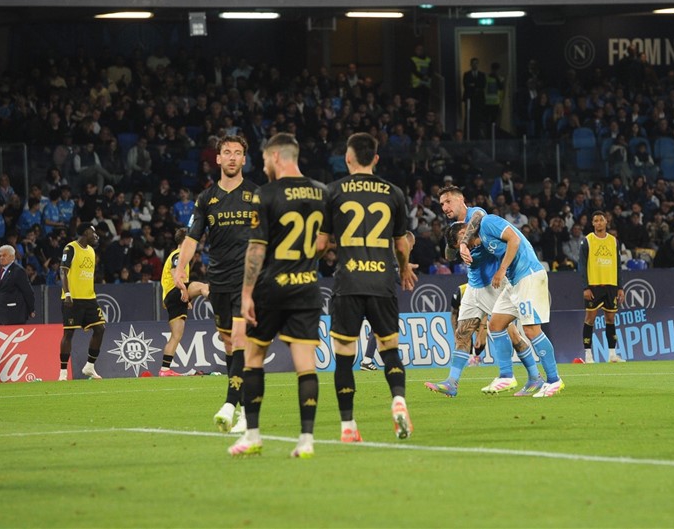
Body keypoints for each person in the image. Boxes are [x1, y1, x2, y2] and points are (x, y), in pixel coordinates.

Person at [229, 133, 327, 459]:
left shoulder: (266, 193)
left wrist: (246, 294)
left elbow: (256, 248)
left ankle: (253, 436)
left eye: (264, 160)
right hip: (307, 287)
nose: (263, 167)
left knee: (254, 357)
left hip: (271, 288)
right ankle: (306, 440)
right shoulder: (321, 192)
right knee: (306, 366)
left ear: (275, 157)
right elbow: (324, 244)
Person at [316, 132, 417, 443]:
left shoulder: (333, 191)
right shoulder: (393, 192)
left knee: (345, 357)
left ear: (348, 158)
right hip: (381, 282)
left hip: (348, 283)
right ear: (375, 158)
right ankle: (398, 400)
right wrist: (403, 268)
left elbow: (321, 244)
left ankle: (348, 426)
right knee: (389, 350)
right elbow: (401, 244)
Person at [172, 135, 259, 435]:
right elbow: (192, 238)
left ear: (244, 159)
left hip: (248, 282)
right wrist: (180, 269)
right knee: (229, 343)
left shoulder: (256, 195)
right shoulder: (206, 198)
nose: (233, 157)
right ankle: (244, 408)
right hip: (218, 281)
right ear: (218, 159)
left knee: (240, 339)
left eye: (238, 153)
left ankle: (233, 406)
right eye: (227, 152)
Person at [425, 187, 543, 398]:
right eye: (441, 204)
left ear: (461, 200)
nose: (444, 207)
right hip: (473, 285)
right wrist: (454, 245)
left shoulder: (477, 214)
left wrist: (463, 243)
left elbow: (479, 216)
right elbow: (449, 256)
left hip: (492, 285)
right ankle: (452, 383)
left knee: (511, 333)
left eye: (448, 202)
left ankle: (535, 377)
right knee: (462, 333)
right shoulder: (454, 227)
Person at [454, 212, 565, 398]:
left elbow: (514, 240)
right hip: (514, 281)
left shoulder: (488, 223)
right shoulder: (481, 242)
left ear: (466, 234)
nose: (470, 249)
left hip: (528, 275)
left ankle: (554, 380)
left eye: (467, 244)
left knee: (531, 330)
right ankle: (506, 376)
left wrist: (501, 269)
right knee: (495, 324)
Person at [159, 228, 210, 376]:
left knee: (176, 335)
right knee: (203, 287)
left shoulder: (180, 256)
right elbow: (175, 274)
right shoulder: (178, 254)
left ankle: (164, 369)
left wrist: (186, 299)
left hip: (171, 299)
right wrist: (184, 290)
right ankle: (220, 302)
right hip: (175, 291)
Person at [58, 223, 106, 381]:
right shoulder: (70, 248)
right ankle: (63, 372)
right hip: (73, 299)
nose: (96, 236)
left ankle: (90, 366)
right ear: (86, 233)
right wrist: (67, 293)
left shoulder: (91, 251)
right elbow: (63, 271)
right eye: (93, 232)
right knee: (69, 333)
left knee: (100, 328)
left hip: (89, 298)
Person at [579, 211, 626, 363]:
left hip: (611, 285)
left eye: (601, 220)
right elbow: (582, 265)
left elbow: (618, 265)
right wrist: (585, 287)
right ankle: (588, 355)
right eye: (596, 220)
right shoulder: (587, 241)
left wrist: (620, 287)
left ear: (606, 222)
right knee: (590, 318)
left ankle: (612, 355)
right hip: (594, 285)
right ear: (593, 223)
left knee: (610, 318)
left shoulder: (613, 241)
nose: (599, 223)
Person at [0, 244, 35, 325]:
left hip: (14, 315)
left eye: (4, 255)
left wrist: (31, 309)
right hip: (2, 314)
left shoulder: (18, 271)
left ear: (12, 257)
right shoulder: (2, 271)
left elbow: (28, 291)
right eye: (0, 256)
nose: (1, 258)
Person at [462, 57, 487, 139]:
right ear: (470, 64)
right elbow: (466, 85)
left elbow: (483, 85)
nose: (475, 65)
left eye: (476, 63)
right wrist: (475, 86)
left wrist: (473, 85)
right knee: (469, 117)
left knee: (478, 117)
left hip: (479, 100)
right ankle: (468, 134)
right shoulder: (466, 74)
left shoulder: (482, 75)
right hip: (470, 99)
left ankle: (478, 134)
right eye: (473, 63)